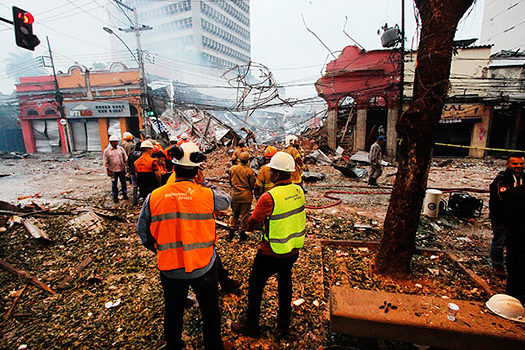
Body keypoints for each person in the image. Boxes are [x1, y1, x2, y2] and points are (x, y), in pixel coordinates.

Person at [137, 142, 231, 349]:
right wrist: (204, 184)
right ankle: (213, 345)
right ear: (197, 170)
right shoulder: (207, 194)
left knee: (173, 309)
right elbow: (226, 201)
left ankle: (173, 345)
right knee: (210, 311)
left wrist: (160, 249)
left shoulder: (155, 197)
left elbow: (143, 233)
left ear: (173, 166)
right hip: (204, 266)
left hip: (170, 268)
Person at [232, 151, 306, 338]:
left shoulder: (269, 197)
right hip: (292, 249)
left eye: (272, 171)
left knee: (255, 286)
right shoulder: (299, 191)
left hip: (271, 252)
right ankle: (283, 327)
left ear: (278, 174)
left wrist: (245, 223)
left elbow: (252, 223)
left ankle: (252, 325)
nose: (270, 173)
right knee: (285, 286)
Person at [490, 154, 525, 303]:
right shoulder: (501, 179)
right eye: (515, 164)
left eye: (521, 163)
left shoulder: (523, 177)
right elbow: (504, 196)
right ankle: (498, 265)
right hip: (502, 218)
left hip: (518, 220)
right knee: (499, 241)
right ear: (508, 164)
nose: (518, 166)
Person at [228, 151, 256, 241]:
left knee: (234, 213)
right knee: (244, 215)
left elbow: (230, 181)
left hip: (235, 194)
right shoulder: (249, 171)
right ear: (248, 161)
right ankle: (242, 236)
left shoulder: (233, 169)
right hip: (246, 196)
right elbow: (252, 185)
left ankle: (231, 233)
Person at [103, 135, 128, 203]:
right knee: (114, 184)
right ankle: (115, 197)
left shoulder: (121, 149)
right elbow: (106, 162)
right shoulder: (107, 151)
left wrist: (127, 167)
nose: (116, 143)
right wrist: (108, 170)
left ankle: (125, 195)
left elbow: (125, 158)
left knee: (123, 182)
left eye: (117, 142)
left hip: (121, 169)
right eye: (115, 142)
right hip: (113, 170)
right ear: (111, 142)